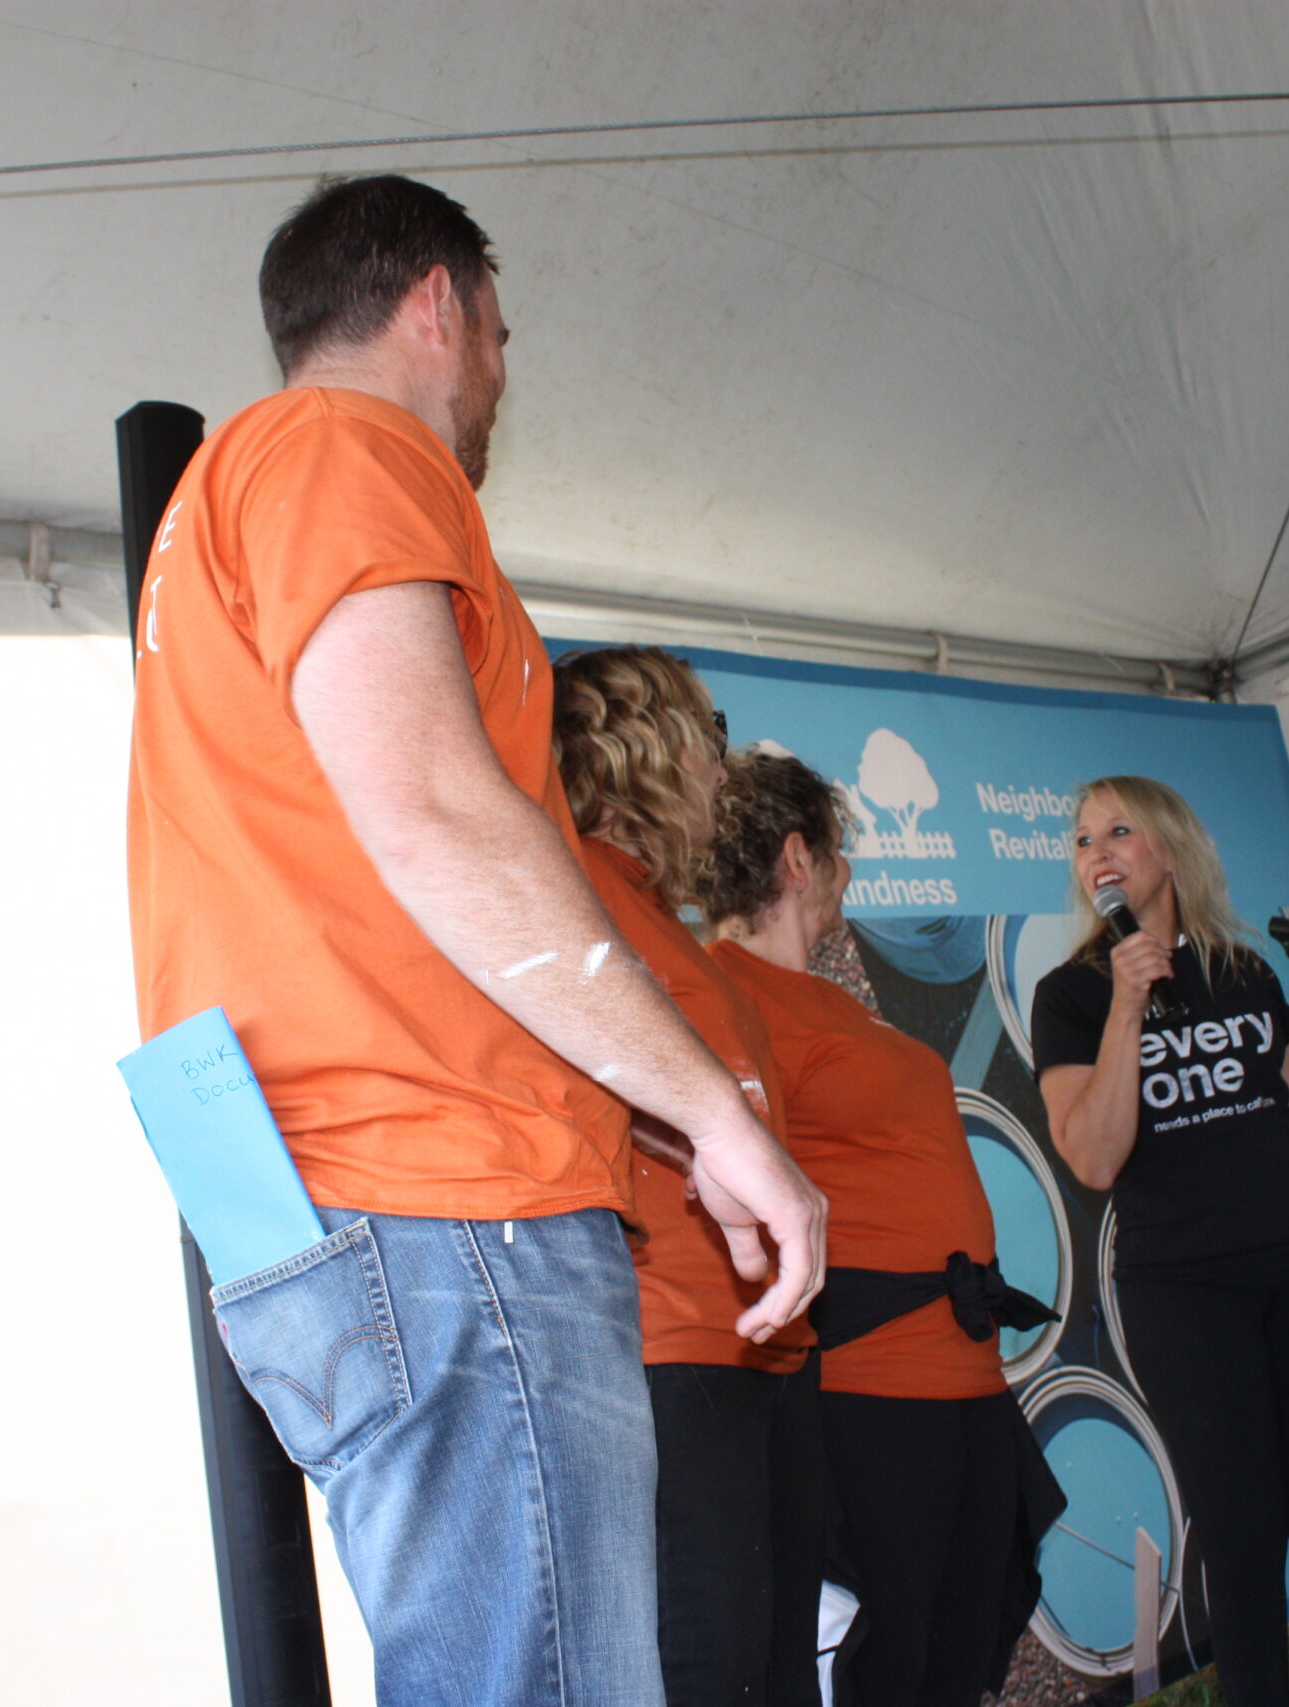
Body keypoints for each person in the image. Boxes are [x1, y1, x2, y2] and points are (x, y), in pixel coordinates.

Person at [127, 174, 824, 1707]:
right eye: (502, 335)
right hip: (445, 1191)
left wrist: (660, 1110)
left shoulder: (220, 504)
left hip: (326, 1190)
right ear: (439, 304)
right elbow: (436, 810)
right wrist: (716, 1114)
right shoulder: (346, 444)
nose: (501, 375)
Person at [1031, 777, 1289, 1707]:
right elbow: (1095, 1157)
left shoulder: (1243, 970)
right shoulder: (1070, 995)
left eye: (1119, 830)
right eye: (1082, 839)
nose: (1097, 852)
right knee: (1241, 1540)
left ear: (1169, 848)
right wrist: (1126, 1006)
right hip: (1186, 1293)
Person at [704, 750, 1054, 1707]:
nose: (850, 874)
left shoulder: (820, 998)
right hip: (868, 1391)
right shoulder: (719, 990)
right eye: (838, 851)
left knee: (956, 1660)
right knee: (890, 1667)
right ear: (797, 859)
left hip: (962, 1377)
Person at [554, 646, 827, 1707]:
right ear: (652, 743)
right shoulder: (563, 891)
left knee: (775, 1676)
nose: (724, 765)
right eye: (712, 733)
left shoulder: (656, 916)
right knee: (707, 1673)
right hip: (667, 1353)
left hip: (759, 1355)